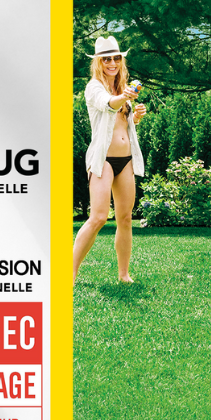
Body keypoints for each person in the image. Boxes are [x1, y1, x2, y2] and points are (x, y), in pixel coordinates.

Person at [72, 36, 147, 285]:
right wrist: (124, 97)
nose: (112, 63)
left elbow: (121, 123)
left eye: (116, 58)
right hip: (103, 159)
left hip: (125, 160)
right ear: (98, 62)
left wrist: (136, 117)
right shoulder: (94, 87)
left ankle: (124, 274)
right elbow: (109, 105)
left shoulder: (122, 87)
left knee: (125, 218)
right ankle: (69, 272)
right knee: (99, 217)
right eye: (106, 59)